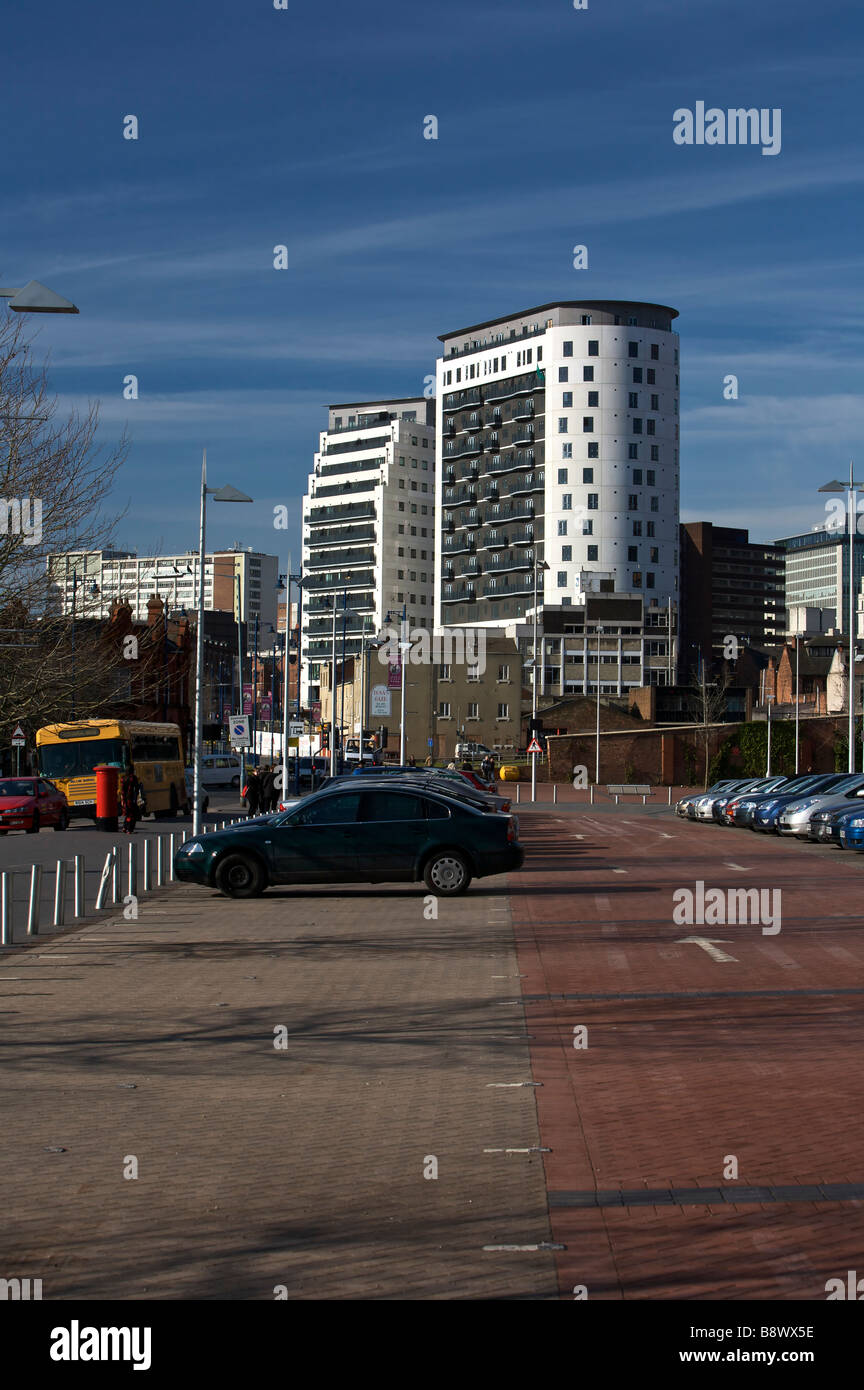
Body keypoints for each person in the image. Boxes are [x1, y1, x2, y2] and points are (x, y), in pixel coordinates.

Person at [120, 769, 142, 834]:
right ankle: (130, 829)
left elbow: (122, 790)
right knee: (133, 814)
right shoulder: (133, 778)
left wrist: (122, 800)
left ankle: (124, 827)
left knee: (128, 813)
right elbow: (136, 788)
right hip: (131, 798)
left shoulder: (123, 778)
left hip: (124, 799)